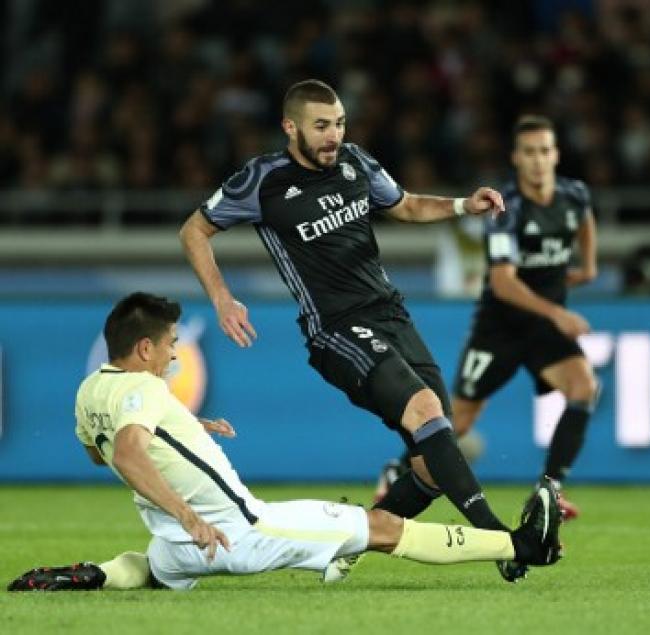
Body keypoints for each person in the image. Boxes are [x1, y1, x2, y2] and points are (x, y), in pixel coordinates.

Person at [179, 78, 529, 581]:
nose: (333, 135)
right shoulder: (262, 180)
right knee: (427, 412)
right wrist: (221, 297)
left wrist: (459, 206)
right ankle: (502, 541)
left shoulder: (356, 162)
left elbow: (403, 204)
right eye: (321, 125)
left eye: (339, 123)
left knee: (432, 460)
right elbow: (195, 229)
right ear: (290, 127)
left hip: (391, 315)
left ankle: (350, 544)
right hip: (335, 329)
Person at [7, 292, 562, 592]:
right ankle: (520, 547)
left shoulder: (90, 391)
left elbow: (98, 451)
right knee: (381, 528)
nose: (176, 355)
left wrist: (186, 431)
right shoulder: (142, 392)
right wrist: (192, 513)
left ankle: (100, 575)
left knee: (154, 568)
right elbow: (128, 450)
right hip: (235, 533)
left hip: (173, 546)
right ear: (146, 349)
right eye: (172, 344)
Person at [378, 116, 599, 531]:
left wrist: (587, 267)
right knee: (456, 423)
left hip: (544, 330)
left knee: (584, 386)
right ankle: (395, 471)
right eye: (529, 153)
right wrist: (559, 312)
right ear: (516, 159)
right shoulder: (506, 209)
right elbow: (502, 282)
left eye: (545, 151)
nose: (538, 161)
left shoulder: (574, 195)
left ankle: (549, 490)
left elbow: (583, 219)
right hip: (500, 329)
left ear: (556, 155)